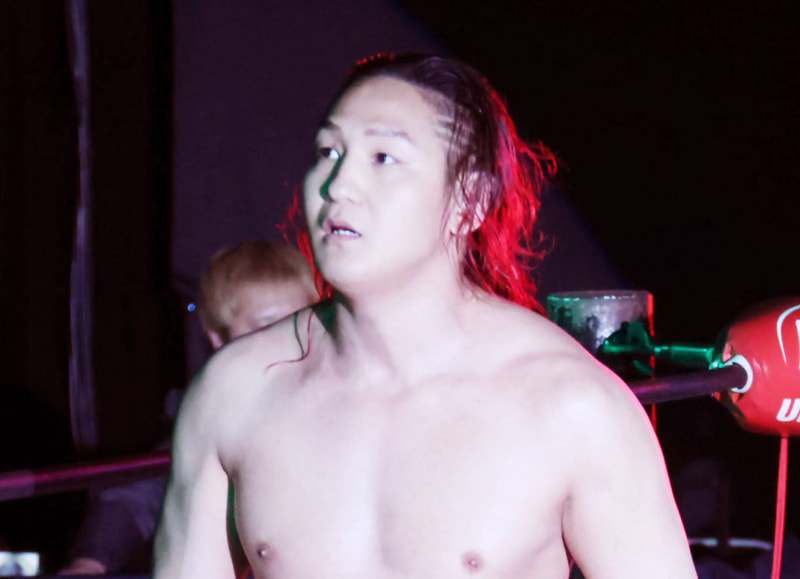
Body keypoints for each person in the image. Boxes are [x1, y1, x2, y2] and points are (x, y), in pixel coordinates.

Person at [154, 53, 696, 578]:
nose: (337, 185)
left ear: (469, 198)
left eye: (383, 158)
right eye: (327, 151)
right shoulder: (235, 392)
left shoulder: (572, 407)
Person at [60, 241, 318, 575]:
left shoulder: (343, 401)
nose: (287, 341)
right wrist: (89, 563)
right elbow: (141, 494)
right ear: (218, 338)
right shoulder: (211, 418)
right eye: (267, 326)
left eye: (300, 322)